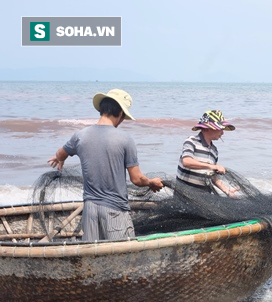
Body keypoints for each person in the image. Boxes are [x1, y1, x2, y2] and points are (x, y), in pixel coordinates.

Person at [48, 88, 164, 241]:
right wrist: (151, 182)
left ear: (101, 109)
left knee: (93, 256)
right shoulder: (125, 139)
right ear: (121, 114)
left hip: (90, 211)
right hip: (115, 211)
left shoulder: (80, 136)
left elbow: (60, 153)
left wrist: (60, 158)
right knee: (124, 255)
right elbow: (137, 179)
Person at [176, 110, 237, 196]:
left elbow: (212, 176)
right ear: (208, 128)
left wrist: (226, 190)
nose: (222, 133)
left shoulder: (214, 151)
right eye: (220, 128)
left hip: (204, 197)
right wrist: (212, 166)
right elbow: (187, 162)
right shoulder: (191, 141)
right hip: (184, 195)